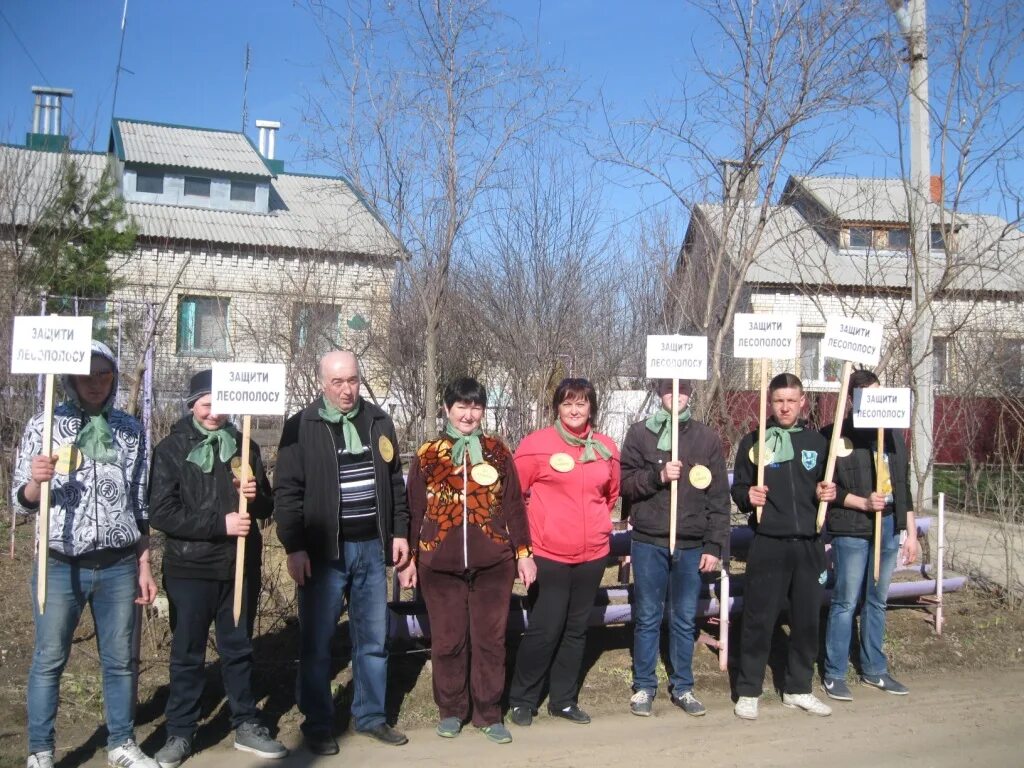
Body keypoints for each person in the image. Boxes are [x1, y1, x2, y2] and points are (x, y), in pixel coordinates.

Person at [11, 341, 159, 768]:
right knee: (49, 659)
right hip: (60, 565)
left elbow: (139, 503)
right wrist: (37, 482)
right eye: (87, 375)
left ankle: (121, 744)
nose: (96, 384)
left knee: (120, 660)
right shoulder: (44, 425)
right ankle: (41, 751)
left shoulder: (130, 429)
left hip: (117, 565)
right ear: (71, 378)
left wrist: (144, 563)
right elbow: (19, 502)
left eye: (105, 375)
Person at [274, 350, 410, 755]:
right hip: (322, 552)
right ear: (322, 382)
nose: (347, 390)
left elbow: (395, 482)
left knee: (372, 638)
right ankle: (317, 723)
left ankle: (370, 717)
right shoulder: (301, 426)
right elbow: (287, 493)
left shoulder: (378, 422)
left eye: (352, 380)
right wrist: (294, 546)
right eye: (338, 382)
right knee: (317, 643)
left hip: (371, 547)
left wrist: (399, 532)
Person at [148, 370, 287, 766]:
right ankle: (180, 731)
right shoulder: (172, 449)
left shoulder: (245, 447)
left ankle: (245, 722)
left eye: (221, 405)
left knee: (239, 648)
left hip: (239, 569)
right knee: (188, 653)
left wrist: (256, 494)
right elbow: (161, 512)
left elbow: (265, 508)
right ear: (192, 405)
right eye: (206, 405)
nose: (215, 413)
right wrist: (218, 524)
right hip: (190, 568)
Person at [402, 378, 536, 744]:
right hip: (439, 564)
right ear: (447, 409)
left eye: (476, 407)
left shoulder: (497, 451)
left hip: (493, 563)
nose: (468, 414)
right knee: (448, 641)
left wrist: (523, 555)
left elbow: (513, 507)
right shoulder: (428, 453)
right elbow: (414, 509)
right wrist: (409, 560)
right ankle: (451, 710)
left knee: (490, 640)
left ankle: (488, 713)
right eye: (461, 406)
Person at [507, 378, 620, 727]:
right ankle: (522, 699)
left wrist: (598, 523)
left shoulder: (605, 447)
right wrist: (524, 548)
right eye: (567, 403)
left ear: (591, 408)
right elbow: (513, 496)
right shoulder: (535, 445)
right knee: (545, 627)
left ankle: (563, 699)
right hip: (548, 553)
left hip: (593, 553)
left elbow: (611, 493)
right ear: (557, 407)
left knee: (576, 629)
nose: (574, 410)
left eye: (581, 403)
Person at [620, 379, 730, 717]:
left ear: (691, 394)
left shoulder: (706, 438)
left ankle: (683, 686)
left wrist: (714, 544)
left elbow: (718, 499)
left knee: (684, 618)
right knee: (648, 616)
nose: (676, 396)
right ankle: (643, 686)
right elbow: (625, 484)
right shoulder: (640, 434)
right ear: (659, 393)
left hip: (692, 544)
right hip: (649, 541)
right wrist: (658, 476)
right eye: (669, 390)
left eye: (682, 391)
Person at [730, 372, 837, 720]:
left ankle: (799, 688)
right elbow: (737, 490)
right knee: (759, 619)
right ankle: (748, 691)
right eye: (779, 401)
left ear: (802, 401)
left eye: (792, 400)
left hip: (809, 543)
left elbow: (827, 486)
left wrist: (828, 494)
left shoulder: (818, 443)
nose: (786, 407)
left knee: (807, 620)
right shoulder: (753, 442)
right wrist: (748, 495)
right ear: (770, 403)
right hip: (768, 542)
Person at [820, 368, 918, 701]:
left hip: (889, 528)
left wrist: (912, 533)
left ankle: (875, 669)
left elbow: (903, 486)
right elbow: (826, 490)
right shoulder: (834, 436)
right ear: (852, 398)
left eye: (879, 391)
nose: (875, 399)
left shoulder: (891, 435)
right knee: (846, 600)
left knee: (877, 600)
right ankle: (834, 672)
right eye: (867, 394)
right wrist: (862, 501)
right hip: (851, 529)